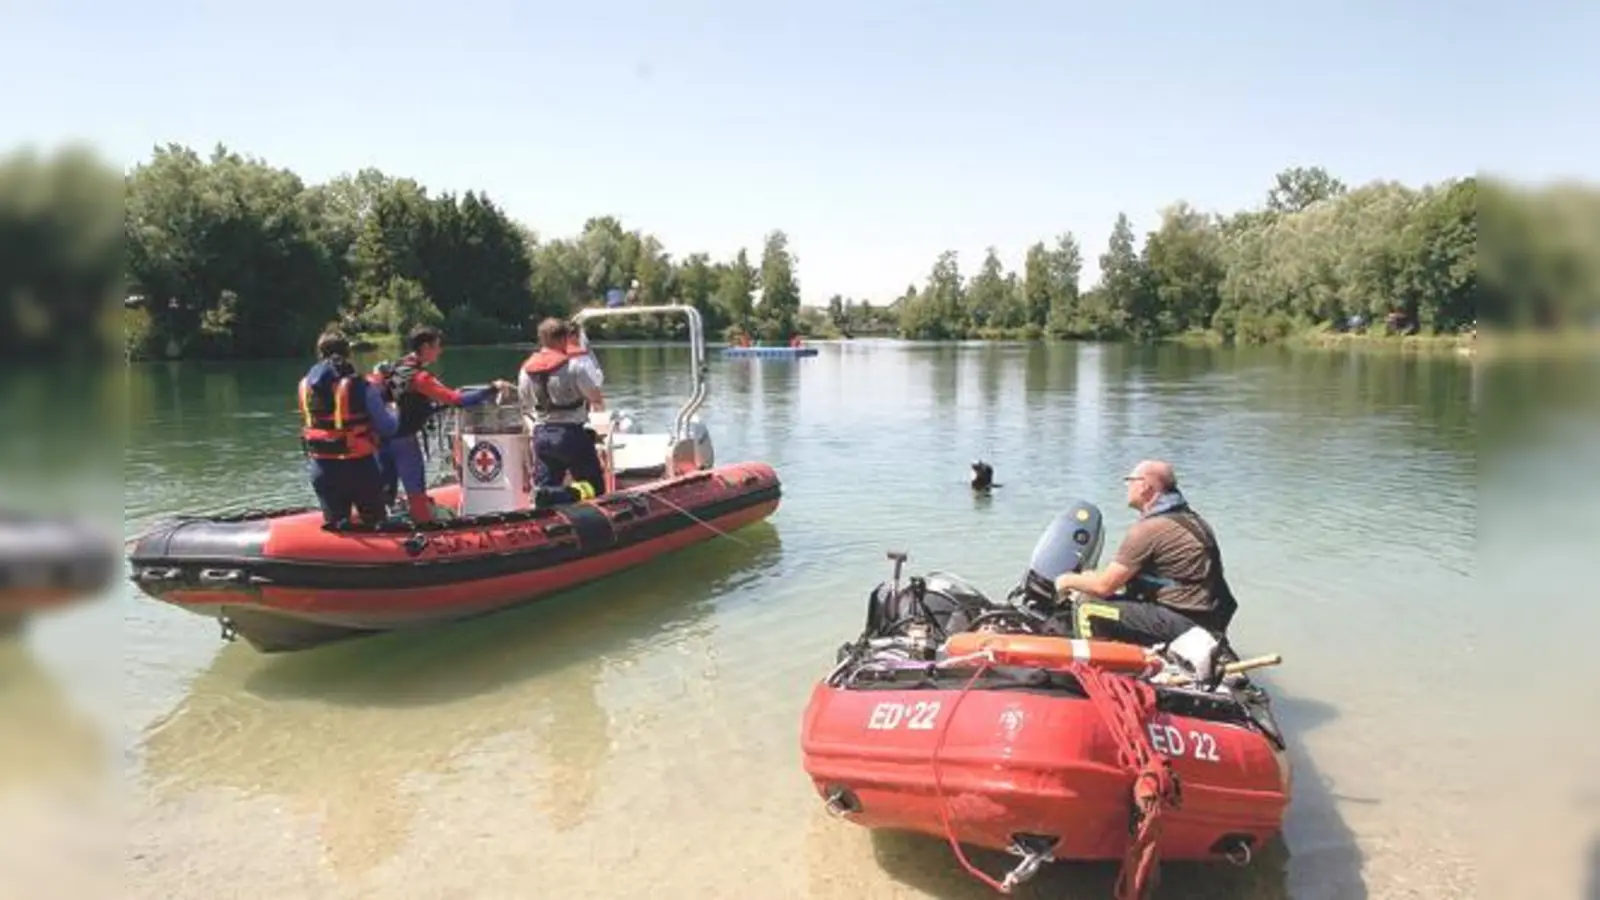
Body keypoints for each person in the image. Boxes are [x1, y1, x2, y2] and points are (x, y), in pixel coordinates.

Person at [1052, 460, 1239, 647]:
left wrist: (1066, 580)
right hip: (1206, 619)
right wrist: (1088, 578)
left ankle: (1095, 670)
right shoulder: (1191, 520)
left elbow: (1104, 587)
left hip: (1185, 622)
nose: (1127, 486)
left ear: (1144, 486)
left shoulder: (1150, 529)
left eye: (1129, 480)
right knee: (1100, 593)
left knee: (1087, 605)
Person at [386, 326, 512, 522]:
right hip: (404, 442)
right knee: (416, 492)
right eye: (437, 346)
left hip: (382, 438)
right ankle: (425, 535)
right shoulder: (420, 377)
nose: (440, 350)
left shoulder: (396, 368)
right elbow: (456, 399)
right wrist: (492, 389)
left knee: (385, 491)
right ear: (426, 347)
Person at [297, 330, 400, 528]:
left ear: (320, 353)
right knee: (377, 526)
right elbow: (387, 428)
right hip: (360, 468)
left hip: (322, 468)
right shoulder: (361, 386)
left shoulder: (304, 387)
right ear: (348, 354)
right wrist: (394, 410)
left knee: (337, 528)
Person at [520, 317, 607, 500]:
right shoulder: (574, 367)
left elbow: (526, 402)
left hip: (542, 434)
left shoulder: (526, 370)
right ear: (563, 339)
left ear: (541, 340)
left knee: (547, 485)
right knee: (594, 487)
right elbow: (596, 398)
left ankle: (547, 498)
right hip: (572, 434)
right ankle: (572, 494)